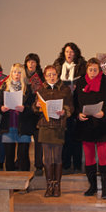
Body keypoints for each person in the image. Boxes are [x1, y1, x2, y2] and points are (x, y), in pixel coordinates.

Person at [74, 58, 106, 199]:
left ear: (100, 70)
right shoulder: (80, 83)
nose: (92, 72)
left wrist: (104, 112)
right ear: (86, 70)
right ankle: (92, 186)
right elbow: (75, 104)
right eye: (90, 69)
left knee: (103, 156)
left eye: (95, 70)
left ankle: (105, 189)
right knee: (89, 157)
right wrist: (78, 114)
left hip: (102, 125)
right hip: (86, 126)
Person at [33, 65, 73, 197]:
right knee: (47, 158)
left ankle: (57, 186)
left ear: (58, 75)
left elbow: (71, 107)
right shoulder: (40, 89)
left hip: (58, 125)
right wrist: (37, 105)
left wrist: (64, 111)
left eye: (54, 74)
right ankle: (49, 185)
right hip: (45, 126)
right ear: (45, 76)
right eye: (49, 74)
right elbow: (34, 107)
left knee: (57, 157)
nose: (52, 77)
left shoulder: (65, 89)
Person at [53, 42, 86, 174]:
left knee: (77, 136)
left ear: (76, 53)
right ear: (64, 53)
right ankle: (66, 163)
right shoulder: (58, 66)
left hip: (77, 103)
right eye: (67, 51)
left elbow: (85, 82)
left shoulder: (82, 66)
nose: (69, 54)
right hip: (63, 104)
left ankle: (77, 163)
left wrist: (77, 87)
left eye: (72, 52)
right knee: (65, 136)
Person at [0, 63, 35, 172]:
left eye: (19, 72)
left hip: (23, 127)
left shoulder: (28, 88)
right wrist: (1, 108)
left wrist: (25, 109)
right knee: (9, 157)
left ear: (23, 74)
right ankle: (10, 185)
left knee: (23, 156)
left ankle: (24, 183)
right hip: (8, 126)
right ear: (11, 73)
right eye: (14, 72)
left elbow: (33, 108)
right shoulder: (4, 87)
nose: (16, 74)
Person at [24, 53, 45, 176]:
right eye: (29, 62)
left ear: (37, 64)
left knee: (38, 141)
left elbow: (41, 94)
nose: (31, 64)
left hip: (37, 113)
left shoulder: (39, 77)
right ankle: (23, 163)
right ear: (26, 63)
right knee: (24, 141)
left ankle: (38, 166)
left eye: (34, 62)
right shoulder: (21, 76)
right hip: (25, 112)